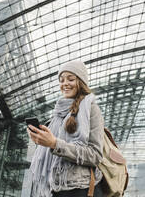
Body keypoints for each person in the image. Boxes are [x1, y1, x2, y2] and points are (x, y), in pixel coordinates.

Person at [27, 60, 104, 197]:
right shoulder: (57, 115)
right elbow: (51, 153)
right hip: (56, 189)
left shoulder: (91, 108)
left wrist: (55, 144)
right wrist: (41, 140)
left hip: (82, 189)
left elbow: (95, 155)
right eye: (61, 80)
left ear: (80, 81)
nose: (65, 84)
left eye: (70, 79)